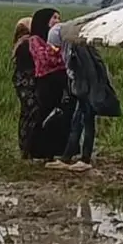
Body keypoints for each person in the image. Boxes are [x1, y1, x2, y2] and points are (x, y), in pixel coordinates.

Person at [13, 9, 73, 161]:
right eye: (54, 17)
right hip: (32, 86)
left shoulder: (53, 43)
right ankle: (31, 150)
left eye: (59, 17)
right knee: (33, 117)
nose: (58, 21)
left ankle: (52, 150)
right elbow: (33, 67)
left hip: (49, 86)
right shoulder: (30, 44)